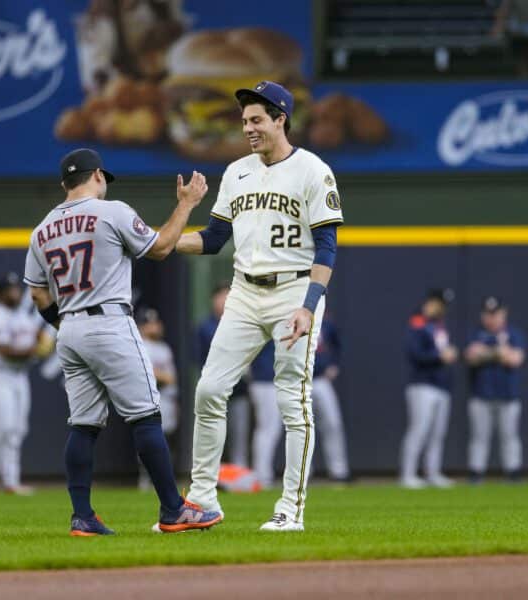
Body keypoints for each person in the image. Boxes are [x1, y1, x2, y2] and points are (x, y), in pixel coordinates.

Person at [24, 147, 222, 536]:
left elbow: (37, 295)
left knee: (82, 425)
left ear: (66, 182)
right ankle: (173, 509)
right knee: (146, 416)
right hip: (109, 322)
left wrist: (63, 324)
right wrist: (186, 205)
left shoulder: (42, 229)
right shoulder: (111, 211)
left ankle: (82, 515)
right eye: (103, 177)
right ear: (96, 175)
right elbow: (162, 247)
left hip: (71, 328)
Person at [174, 80, 344, 531]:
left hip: (294, 289)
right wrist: (166, 239)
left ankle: (290, 508)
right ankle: (203, 501)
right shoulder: (236, 172)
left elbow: (327, 247)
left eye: (256, 119)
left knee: (293, 401)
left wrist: (309, 306)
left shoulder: (312, 170)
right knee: (209, 389)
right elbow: (212, 240)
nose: (247, 127)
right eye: (244, 120)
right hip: (245, 292)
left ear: (280, 118)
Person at [0, 273, 53, 496]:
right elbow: (3, 350)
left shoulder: (21, 316)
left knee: (17, 429)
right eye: (8, 290)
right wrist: (34, 351)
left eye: (16, 289)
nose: (14, 293)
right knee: (2, 427)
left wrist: (43, 341)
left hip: (19, 376)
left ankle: (11, 480)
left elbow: (35, 334)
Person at [465, 296, 527, 483]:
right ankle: (476, 473)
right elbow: (471, 357)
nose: (492, 318)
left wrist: (488, 353)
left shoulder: (514, 334)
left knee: (510, 436)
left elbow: (516, 359)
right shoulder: (476, 333)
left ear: (503, 314)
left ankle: (513, 472)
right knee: (479, 437)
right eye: (488, 314)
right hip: (481, 395)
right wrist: (497, 353)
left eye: (496, 314)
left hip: (508, 395)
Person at [400, 288, 458, 489]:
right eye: (441, 304)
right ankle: (408, 474)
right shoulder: (418, 322)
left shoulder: (439, 324)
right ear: (432, 302)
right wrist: (439, 356)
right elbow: (414, 353)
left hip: (441, 384)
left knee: (437, 433)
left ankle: (433, 472)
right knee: (419, 430)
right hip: (422, 384)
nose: (443, 308)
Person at [196, 283, 251, 467]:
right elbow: (198, 359)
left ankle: (239, 472)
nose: (225, 300)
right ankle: (211, 473)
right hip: (215, 387)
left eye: (228, 295)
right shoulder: (205, 327)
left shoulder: (244, 323)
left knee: (239, 433)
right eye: (221, 296)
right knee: (212, 432)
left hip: (239, 389)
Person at [135, 307, 179, 490]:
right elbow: (146, 373)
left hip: (168, 398)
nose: (154, 326)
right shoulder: (140, 345)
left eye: (156, 322)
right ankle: (146, 479)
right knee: (150, 439)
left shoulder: (164, 347)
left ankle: (162, 479)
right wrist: (162, 377)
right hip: (150, 399)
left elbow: (172, 378)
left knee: (167, 441)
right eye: (149, 323)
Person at [311, 314, 351, 483]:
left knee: (333, 424)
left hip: (320, 379)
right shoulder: (291, 318)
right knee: (300, 428)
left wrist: (333, 364)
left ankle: (339, 471)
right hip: (297, 380)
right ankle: (302, 474)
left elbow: (337, 345)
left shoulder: (325, 323)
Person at [248, 342, 281, 489]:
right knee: (268, 429)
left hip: (271, 379)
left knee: (270, 429)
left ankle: (263, 475)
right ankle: (262, 475)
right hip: (265, 380)